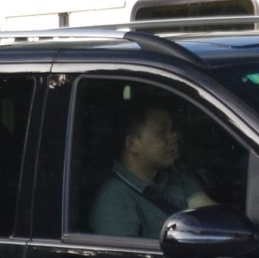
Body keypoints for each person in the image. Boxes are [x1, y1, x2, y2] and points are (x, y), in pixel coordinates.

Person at [86, 101, 209, 239]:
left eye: (171, 130)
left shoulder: (172, 178)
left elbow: (212, 216)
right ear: (132, 144)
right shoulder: (114, 200)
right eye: (162, 132)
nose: (173, 138)